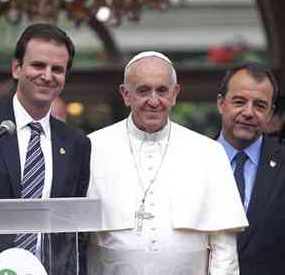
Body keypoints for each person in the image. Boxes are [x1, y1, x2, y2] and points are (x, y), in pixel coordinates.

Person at [87, 51, 248, 275]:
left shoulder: (208, 153)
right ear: (126, 94)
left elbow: (224, 249)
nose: (153, 100)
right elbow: (75, 239)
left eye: (162, 90)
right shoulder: (92, 148)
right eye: (143, 90)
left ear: (174, 94)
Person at [0, 23, 91, 274]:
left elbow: (75, 231)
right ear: (17, 68)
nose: (47, 75)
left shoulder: (76, 145)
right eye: (38, 65)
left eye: (57, 69)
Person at [217, 61, 285, 274]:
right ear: (221, 104)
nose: (249, 112)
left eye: (260, 105)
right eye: (239, 101)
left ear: (270, 112)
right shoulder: (190, 162)